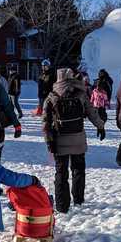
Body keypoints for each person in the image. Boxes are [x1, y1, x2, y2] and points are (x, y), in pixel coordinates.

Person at [43, 68, 105, 212]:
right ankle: (78, 199)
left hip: (59, 140)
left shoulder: (52, 96)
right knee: (78, 169)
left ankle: (62, 205)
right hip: (78, 138)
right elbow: (92, 112)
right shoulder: (80, 94)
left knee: (61, 173)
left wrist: (48, 140)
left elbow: (45, 121)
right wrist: (100, 126)